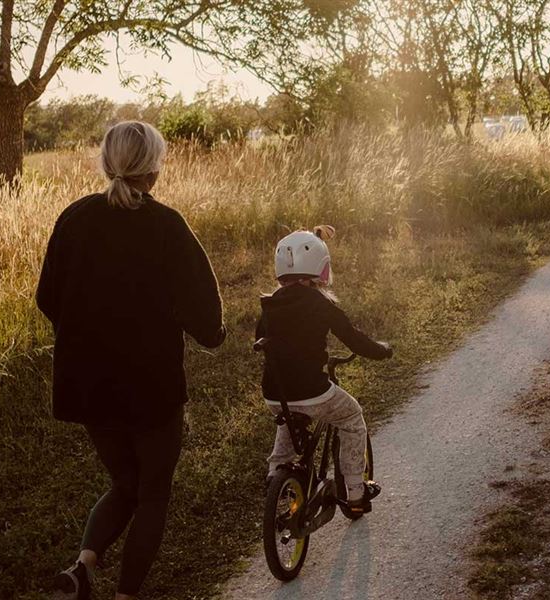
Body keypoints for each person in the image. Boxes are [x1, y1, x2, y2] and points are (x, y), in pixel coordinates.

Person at [36, 121, 226, 600]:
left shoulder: (73, 218)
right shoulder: (167, 226)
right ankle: (125, 596)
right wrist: (214, 334)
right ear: (154, 170)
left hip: (89, 385)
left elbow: (46, 298)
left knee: (125, 483)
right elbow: (203, 308)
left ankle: (81, 568)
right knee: (153, 492)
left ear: (108, 163)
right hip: (151, 386)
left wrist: (84, 335)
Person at [255, 225, 391, 514]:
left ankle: (276, 476)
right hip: (313, 391)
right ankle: (355, 492)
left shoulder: (269, 304)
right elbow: (354, 339)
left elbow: (261, 338)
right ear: (318, 267)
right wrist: (382, 350)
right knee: (352, 417)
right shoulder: (320, 303)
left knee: (288, 417)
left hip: (274, 391)